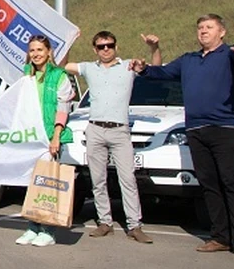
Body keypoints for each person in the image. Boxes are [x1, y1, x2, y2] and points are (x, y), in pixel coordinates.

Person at [130, 15, 234, 262]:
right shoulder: (188, 60)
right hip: (196, 129)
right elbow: (162, 74)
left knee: (233, 183)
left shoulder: (230, 55)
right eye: (200, 28)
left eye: (209, 27)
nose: (203, 31)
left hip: (225, 128)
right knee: (209, 185)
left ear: (221, 32)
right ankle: (220, 237)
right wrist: (143, 68)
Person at [62, 32, 160, 244]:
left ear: (116, 46)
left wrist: (154, 48)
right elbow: (64, 65)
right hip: (95, 129)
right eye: (101, 46)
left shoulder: (128, 66)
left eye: (109, 45)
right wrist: (69, 41)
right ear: (94, 49)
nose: (106, 49)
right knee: (98, 180)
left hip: (120, 130)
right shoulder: (89, 68)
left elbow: (156, 69)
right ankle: (104, 222)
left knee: (128, 179)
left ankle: (135, 225)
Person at [15, 35, 74, 247]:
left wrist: (56, 136)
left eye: (40, 50)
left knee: (47, 183)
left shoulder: (59, 76)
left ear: (49, 52)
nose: (36, 54)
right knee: (32, 185)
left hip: (49, 137)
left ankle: (48, 230)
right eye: (32, 50)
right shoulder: (26, 74)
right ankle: (33, 227)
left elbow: (63, 108)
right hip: (31, 136)